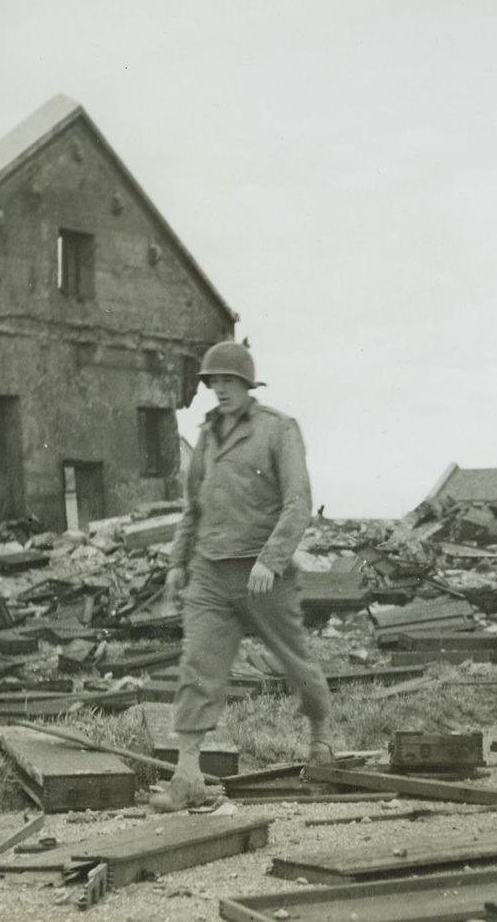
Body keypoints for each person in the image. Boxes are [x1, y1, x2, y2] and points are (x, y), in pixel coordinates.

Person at [153, 340, 336, 812]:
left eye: (229, 381)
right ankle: (187, 774)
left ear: (247, 385)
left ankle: (322, 732)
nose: (220, 390)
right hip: (211, 573)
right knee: (199, 666)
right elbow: (193, 507)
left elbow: (298, 502)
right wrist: (178, 562)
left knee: (296, 663)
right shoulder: (208, 437)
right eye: (214, 382)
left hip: (264, 577)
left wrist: (270, 560)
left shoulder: (278, 430)